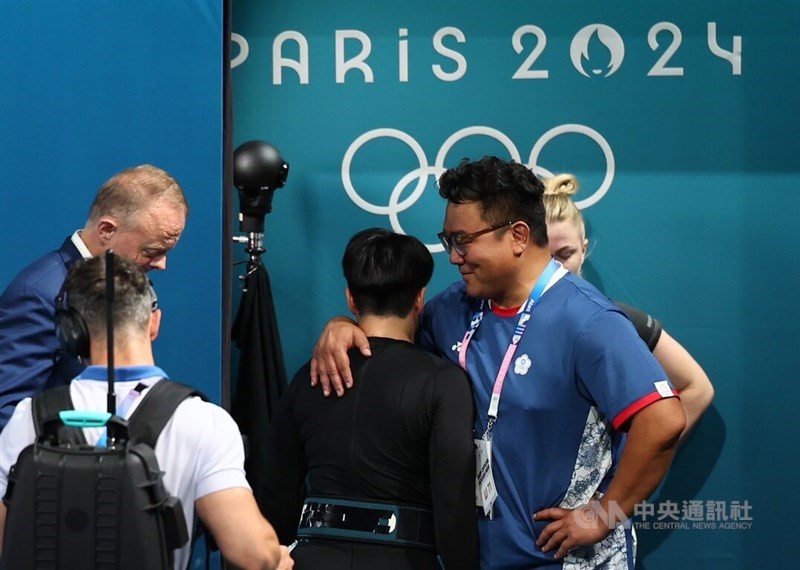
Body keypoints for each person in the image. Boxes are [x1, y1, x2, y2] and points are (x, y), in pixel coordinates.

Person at [310, 157, 686, 568]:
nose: (454, 257)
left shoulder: (589, 322)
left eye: (462, 240)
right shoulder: (453, 309)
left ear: (518, 236)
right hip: (479, 558)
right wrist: (342, 325)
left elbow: (663, 421)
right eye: (449, 240)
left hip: (567, 561)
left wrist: (604, 514)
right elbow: (393, 343)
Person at [0, 254, 292, 570]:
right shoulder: (204, 422)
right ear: (154, 322)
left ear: (72, 333)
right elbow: (252, 553)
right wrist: (277, 557)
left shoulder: (30, 418)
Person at [262, 228, 478, 570]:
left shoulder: (311, 376)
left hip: (312, 560)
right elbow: (453, 504)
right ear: (420, 299)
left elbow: (276, 493)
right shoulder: (443, 382)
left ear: (350, 299)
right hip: (406, 560)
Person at [0, 164, 188, 431]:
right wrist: (83, 458)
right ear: (106, 230)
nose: (161, 264)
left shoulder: (125, 285)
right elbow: (6, 411)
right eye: (152, 251)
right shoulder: (39, 294)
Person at [543, 173, 713, 438]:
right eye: (544, 256)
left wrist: (640, 470)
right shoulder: (493, 322)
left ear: (583, 249)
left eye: (565, 254)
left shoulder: (620, 321)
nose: (554, 267)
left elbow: (696, 388)